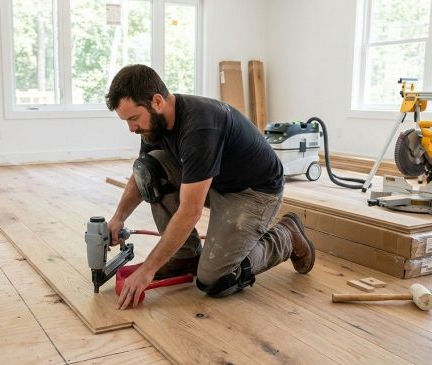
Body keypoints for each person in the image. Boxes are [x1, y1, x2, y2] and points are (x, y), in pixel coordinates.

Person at [105, 64, 315, 310]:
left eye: (133, 118)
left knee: (216, 280)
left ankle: (286, 236)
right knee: (149, 167)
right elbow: (143, 173)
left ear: (157, 101)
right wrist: (118, 217)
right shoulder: (155, 124)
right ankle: (185, 256)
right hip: (216, 182)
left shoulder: (199, 126)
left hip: (253, 192)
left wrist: (148, 270)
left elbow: (190, 211)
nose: (132, 128)